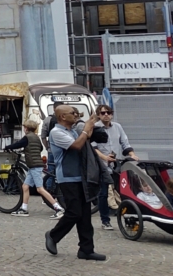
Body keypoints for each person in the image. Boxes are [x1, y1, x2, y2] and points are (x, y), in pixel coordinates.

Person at [46, 105, 105, 261]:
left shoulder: (71, 130)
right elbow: (77, 146)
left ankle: (86, 249)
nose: (76, 115)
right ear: (62, 117)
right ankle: (53, 235)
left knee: (85, 215)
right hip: (68, 178)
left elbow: (86, 137)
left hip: (81, 177)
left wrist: (91, 123)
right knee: (74, 212)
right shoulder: (56, 132)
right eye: (73, 113)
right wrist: (86, 129)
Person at [92, 106, 137, 230]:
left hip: (117, 166)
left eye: (109, 112)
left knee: (124, 193)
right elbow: (93, 148)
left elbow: (125, 143)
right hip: (101, 167)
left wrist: (132, 154)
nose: (106, 115)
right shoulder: (95, 128)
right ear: (99, 115)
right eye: (103, 113)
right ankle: (105, 221)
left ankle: (129, 220)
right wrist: (104, 158)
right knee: (103, 194)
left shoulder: (117, 127)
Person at [7, 120, 64, 218]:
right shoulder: (36, 137)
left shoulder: (27, 137)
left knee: (40, 189)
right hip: (34, 165)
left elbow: (18, 144)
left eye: (24, 127)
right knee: (25, 186)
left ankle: (58, 208)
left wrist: (7, 147)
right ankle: (24, 209)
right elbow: (40, 148)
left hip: (34, 166)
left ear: (26, 128)